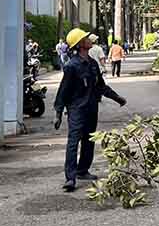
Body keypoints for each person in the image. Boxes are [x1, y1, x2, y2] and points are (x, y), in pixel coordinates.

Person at [54, 28, 127, 192]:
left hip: (91, 108)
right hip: (76, 110)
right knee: (73, 142)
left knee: (89, 140)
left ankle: (82, 170)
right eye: (86, 38)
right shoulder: (71, 66)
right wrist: (58, 113)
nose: (89, 39)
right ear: (80, 44)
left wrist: (116, 98)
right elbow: (63, 91)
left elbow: (100, 86)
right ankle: (70, 178)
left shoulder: (93, 64)